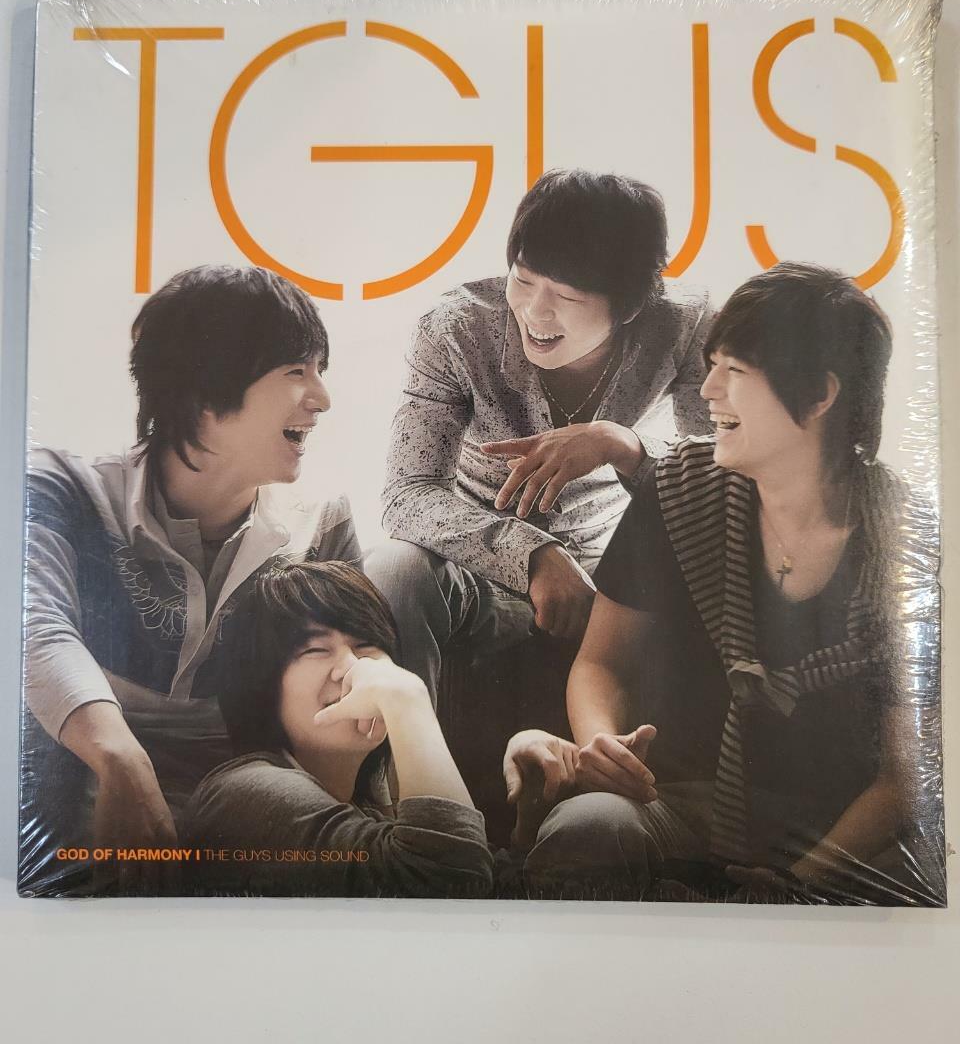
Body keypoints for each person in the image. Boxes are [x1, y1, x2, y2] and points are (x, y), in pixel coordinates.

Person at [510, 262, 942, 904]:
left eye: (734, 371)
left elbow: (905, 777)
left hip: (840, 834)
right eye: (711, 365)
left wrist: (802, 883)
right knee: (590, 826)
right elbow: (602, 664)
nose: (709, 389)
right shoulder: (682, 491)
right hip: (676, 801)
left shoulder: (906, 541)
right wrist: (603, 743)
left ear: (819, 396)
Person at [21, 265, 359, 894]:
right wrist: (119, 756)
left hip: (245, 800)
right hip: (75, 778)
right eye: (297, 371)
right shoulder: (64, 488)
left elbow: (350, 681)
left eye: (320, 370)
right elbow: (33, 630)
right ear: (206, 388)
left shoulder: (321, 526)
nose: (322, 397)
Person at [366, 169, 714, 700]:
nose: (534, 311)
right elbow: (407, 495)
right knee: (394, 567)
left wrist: (621, 444)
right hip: (476, 564)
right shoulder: (456, 328)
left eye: (566, 296)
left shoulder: (684, 325)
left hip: (613, 572)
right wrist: (532, 554)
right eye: (524, 280)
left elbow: (719, 479)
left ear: (631, 304)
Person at [184, 561, 494, 897]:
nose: (352, 666)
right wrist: (408, 700)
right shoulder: (247, 793)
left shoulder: (361, 810)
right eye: (316, 649)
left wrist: (528, 818)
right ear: (260, 685)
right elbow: (452, 886)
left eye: (366, 645)